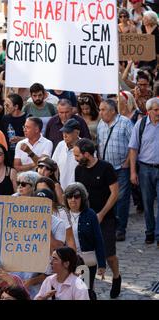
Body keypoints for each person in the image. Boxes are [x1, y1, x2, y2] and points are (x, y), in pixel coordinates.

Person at [74, 138, 122, 298]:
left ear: (86, 154)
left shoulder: (105, 168)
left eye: (77, 155)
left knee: (109, 254)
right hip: (85, 217)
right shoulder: (78, 170)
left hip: (105, 218)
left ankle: (116, 276)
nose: (75, 158)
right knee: (85, 254)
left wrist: (101, 214)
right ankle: (87, 289)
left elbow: (115, 193)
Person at [97, 99, 133, 242]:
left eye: (103, 109)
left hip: (121, 168)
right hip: (106, 169)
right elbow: (100, 144)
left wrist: (127, 163)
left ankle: (120, 229)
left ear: (112, 111)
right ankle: (110, 226)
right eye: (100, 109)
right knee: (107, 198)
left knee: (122, 199)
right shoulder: (101, 124)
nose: (100, 113)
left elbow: (133, 145)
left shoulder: (125, 123)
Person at [64, 183, 106, 299]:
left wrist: (102, 264)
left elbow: (98, 240)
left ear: (82, 198)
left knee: (84, 290)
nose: (73, 199)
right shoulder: (62, 214)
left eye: (76, 196)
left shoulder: (90, 215)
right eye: (69, 196)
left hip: (86, 261)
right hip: (67, 260)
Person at [128, 97, 159, 246]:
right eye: (156, 110)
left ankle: (158, 234)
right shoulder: (140, 125)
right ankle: (150, 232)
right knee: (147, 203)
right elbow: (133, 149)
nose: (158, 113)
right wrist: (133, 172)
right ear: (149, 111)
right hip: (145, 168)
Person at [0, 93, 27, 165]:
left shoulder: (28, 119)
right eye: (4, 105)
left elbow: (33, 139)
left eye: (7, 105)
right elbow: (1, 136)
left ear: (16, 106)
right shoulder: (5, 118)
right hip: (8, 156)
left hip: (23, 155)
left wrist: (20, 139)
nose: (5, 107)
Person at [52, 118, 81, 189]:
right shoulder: (60, 145)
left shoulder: (85, 145)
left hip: (79, 191)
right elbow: (54, 167)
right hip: (62, 190)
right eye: (63, 132)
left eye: (68, 132)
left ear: (77, 133)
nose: (64, 135)